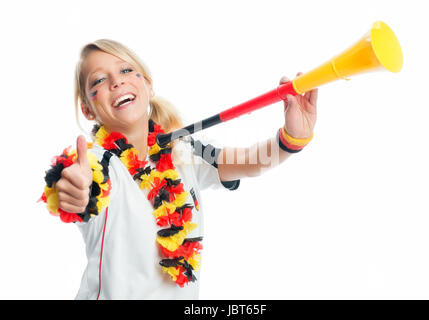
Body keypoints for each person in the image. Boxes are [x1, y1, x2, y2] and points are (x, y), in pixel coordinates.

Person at [40, 39, 318, 299]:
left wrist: (291, 139)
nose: (116, 81)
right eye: (99, 80)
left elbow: (247, 160)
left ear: (148, 86)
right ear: (88, 109)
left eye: (126, 69)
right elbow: (77, 182)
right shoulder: (97, 163)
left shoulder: (184, 150)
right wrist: (73, 189)